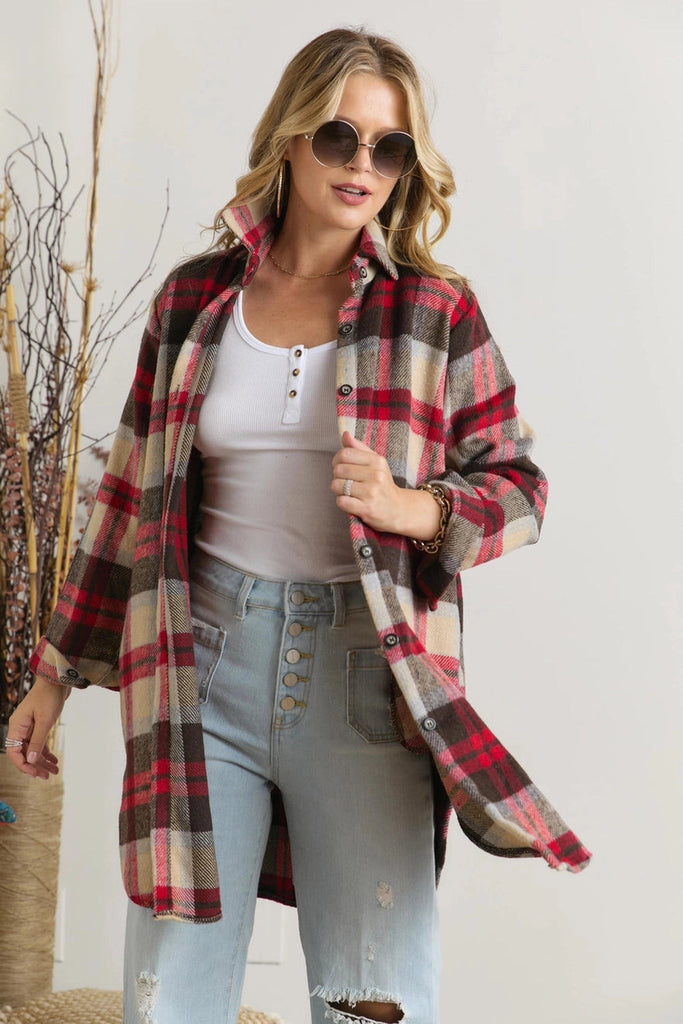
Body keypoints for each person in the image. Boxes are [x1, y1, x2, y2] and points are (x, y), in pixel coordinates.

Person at [6, 27, 590, 1024]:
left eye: (388, 147)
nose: (362, 165)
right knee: (169, 994)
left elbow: (519, 488)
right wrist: (54, 674)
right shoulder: (194, 301)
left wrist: (412, 507)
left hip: (364, 675)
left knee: (372, 998)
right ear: (289, 136)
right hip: (200, 663)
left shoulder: (434, 311)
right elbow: (129, 501)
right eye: (338, 136)